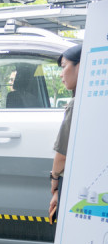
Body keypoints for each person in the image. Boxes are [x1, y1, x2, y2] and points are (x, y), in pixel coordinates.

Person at [49, 44, 81, 223]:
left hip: (71, 184)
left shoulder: (76, 104)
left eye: (64, 66)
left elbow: (62, 155)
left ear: (81, 66)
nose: (61, 74)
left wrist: (54, 183)